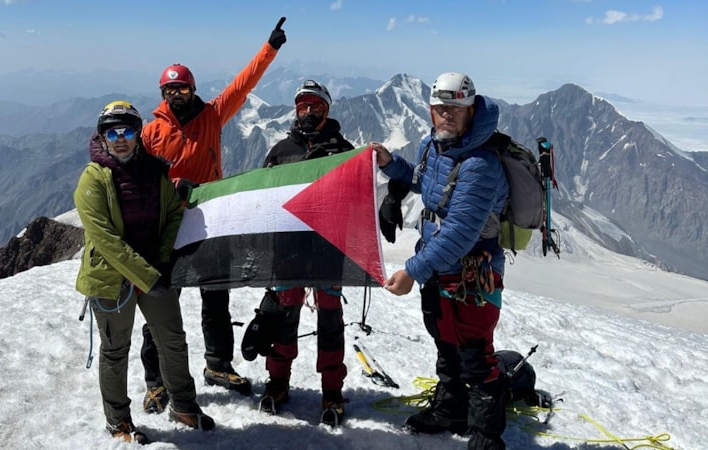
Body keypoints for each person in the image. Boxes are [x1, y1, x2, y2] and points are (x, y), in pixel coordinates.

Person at [139, 17, 288, 410]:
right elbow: (137, 176)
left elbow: (243, 85)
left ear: (193, 90)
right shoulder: (152, 132)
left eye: (183, 88)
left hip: (209, 218)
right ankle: (155, 381)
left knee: (216, 295)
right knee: (161, 300)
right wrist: (173, 189)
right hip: (168, 223)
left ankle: (217, 365)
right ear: (163, 93)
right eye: (170, 89)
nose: (177, 94)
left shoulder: (212, 116)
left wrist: (269, 49)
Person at [372, 72, 511, 450]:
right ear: (431, 110)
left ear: (470, 111)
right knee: (446, 342)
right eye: (439, 108)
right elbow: (424, 182)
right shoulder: (434, 147)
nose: (446, 115)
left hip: (471, 274)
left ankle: (486, 437)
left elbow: (460, 234)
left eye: (455, 108)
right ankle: (452, 408)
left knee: (475, 353)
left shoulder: (480, 164)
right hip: (440, 268)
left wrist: (411, 272)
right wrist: (390, 164)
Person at [74, 101, 215, 444]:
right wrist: (149, 277)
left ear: (138, 134)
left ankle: (183, 404)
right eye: (112, 132)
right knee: (115, 350)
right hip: (112, 279)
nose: (120, 138)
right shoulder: (92, 179)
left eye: (127, 131)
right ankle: (118, 421)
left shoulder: (155, 171)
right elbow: (105, 239)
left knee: (172, 340)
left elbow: (172, 215)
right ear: (102, 137)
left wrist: (163, 261)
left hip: (154, 271)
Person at [256, 80, 355, 426]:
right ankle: (278, 382)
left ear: (326, 111)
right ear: (296, 111)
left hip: (327, 249)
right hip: (289, 251)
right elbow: (262, 197)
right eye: (304, 106)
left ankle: (332, 390)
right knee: (285, 319)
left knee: (330, 322)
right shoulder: (281, 151)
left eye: (316, 106)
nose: (309, 112)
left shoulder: (344, 150)